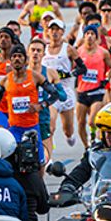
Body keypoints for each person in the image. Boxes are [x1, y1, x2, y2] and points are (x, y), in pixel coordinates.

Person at [0, 43, 62, 164]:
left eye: (20, 56)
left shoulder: (35, 77)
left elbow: (55, 94)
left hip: (32, 128)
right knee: (10, 162)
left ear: (25, 60)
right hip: (14, 128)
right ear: (11, 60)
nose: (17, 59)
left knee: (39, 162)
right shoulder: (6, 79)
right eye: (14, 56)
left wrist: (41, 105)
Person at [73, 24, 111, 147]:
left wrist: (106, 78)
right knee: (80, 123)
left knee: (92, 121)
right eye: (87, 34)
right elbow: (72, 67)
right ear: (84, 36)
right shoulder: (78, 52)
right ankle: (87, 147)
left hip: (97, 91)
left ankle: (94, 136)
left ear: (96, 37)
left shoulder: (103, 52)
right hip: (82, 91)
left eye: (92, 34)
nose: (90, 36)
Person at [41, 18, 78, 147]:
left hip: (66, 91)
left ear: (62, 32)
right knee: (50, 126)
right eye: (52, 29)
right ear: (48, 31)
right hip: (50, 92)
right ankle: (49, 150)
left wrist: (69, 74)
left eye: (57, 29)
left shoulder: (68, 49)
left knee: (68, 129)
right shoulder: (43, 50)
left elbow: (82, 68)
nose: (54, 32)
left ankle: (70, 135)